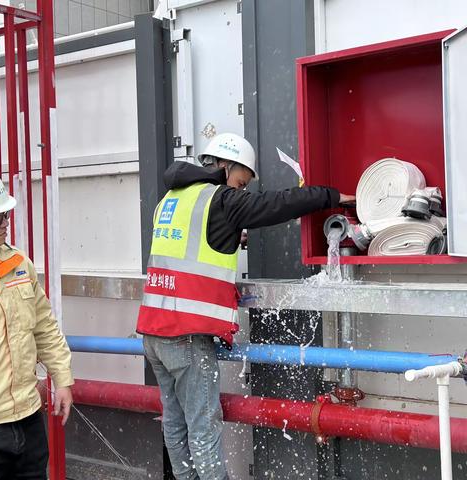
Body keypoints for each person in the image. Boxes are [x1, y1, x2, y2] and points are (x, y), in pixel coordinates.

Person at [137, 133, 355, 480]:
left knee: (176, 426)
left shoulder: (172, 199)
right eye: (240, 181)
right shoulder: (221, 200)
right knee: (204, 432)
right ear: (225, 167)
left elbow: (188, 247)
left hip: (153, 330)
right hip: (187, 337)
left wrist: (228, 235)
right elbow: (277, 203)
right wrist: (331, 196)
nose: (240, 191)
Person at [0, 168, 74, 480]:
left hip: (27, 419)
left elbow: (44, 327)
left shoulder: (18, 265)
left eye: (6, 214)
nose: (5, 223)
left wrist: (62, 379)